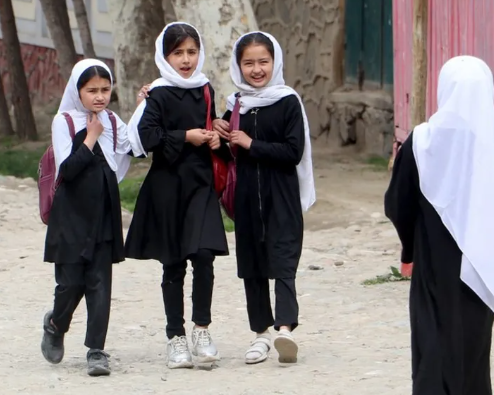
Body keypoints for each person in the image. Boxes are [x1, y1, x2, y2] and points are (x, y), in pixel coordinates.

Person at [384, 56, 494, 394]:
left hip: (433, 260)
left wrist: (410, 247)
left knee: (432, 345)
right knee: (472, 351)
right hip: (480, 260)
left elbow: (397, 204)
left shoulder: (421, 142)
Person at [125, 22, 230, 369]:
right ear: (165, 56)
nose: (186, 60)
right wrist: (186, 136)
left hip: (200, 183)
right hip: (168, 186)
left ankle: (202, 329)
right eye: (178, 53)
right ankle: (176, 337)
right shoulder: (158, 93)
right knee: (173, 263)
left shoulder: (205, 88)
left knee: (203, 256)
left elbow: (210, 122)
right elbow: (148, 137)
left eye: (191, 51)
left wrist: (214, 136)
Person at [212, 31, 316, 365]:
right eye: (249, 63)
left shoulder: (287, 101)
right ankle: (260, 335)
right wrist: (220, 132)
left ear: (275, 62)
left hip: (281, 194)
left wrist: (250, 143)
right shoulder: (236, 104)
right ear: (238, 66)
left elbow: (293, 151)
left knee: (284, 261)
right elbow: (229, 154)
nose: (257, 69)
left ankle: (284, 328)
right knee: (252, 266)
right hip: (246, 198)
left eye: (263, 62)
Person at [40, 58, 134, 377]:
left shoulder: (113, 120)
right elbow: (67, 169)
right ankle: (56, 323)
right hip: (71, 215)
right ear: (77, 90)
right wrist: (92, 135)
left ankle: (96, 350)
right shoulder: (63, 121)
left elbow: (133, 146)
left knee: (99, 284)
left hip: (103, 213)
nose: (99, 96)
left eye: (105, 90)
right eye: (91, 90)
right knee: (70, 283)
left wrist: (144, 107)